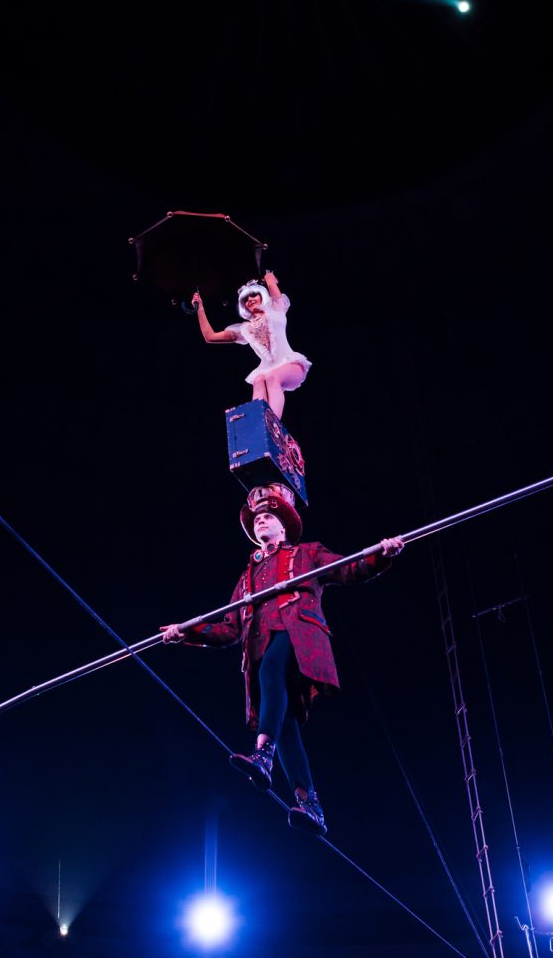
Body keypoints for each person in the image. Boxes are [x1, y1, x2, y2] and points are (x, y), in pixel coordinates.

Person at [161, 483, 405, 835]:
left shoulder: (307, 554)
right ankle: (310, 804)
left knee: (274, 668)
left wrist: (383, 554)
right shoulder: (246, 579)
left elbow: (349, 570)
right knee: (286, 721)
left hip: (297, 639)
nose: (260, 521)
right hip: (259, 654)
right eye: (256, 518)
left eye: (267, 516)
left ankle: (263, 753)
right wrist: (187, 632)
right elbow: (229, 630)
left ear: (283, 526)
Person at [191, 269, 311, 420]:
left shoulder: (275, 309)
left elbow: (273, 287)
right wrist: (200, 308)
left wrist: (269, 279)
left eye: (254, 295)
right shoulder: (245, 329)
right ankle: (258, 421)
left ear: (262, 297)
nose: (250, 300)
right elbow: (210, 337)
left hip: (291, 364)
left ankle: (273, 424)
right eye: (246, 299)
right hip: (267, 370)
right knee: (258, 380)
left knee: (271, 378)